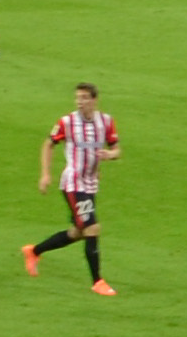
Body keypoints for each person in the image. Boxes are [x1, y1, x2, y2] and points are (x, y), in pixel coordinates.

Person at [25, 83, 121, 293]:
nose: (80, 101)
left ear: (94, 100)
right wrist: (45, 174)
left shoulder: (105, 122)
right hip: (73, 183)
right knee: (92, 228)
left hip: (91, 183)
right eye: (78, 97)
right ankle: (97, 282)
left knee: (77, 232)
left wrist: (110, 155)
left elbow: (116, 148)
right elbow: (48, 144)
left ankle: (34, 251)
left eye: (85, 98)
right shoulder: (67, 122)